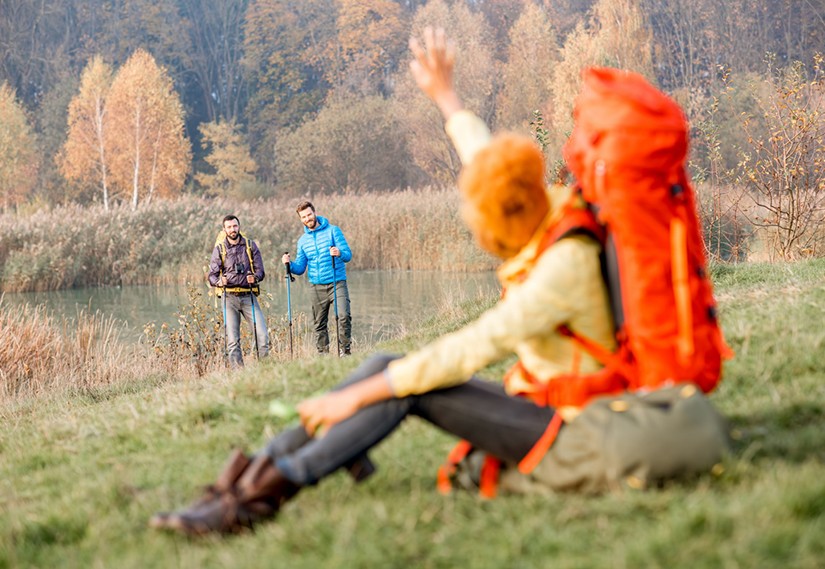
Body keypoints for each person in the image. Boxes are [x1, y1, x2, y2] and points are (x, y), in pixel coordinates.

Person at [149, 28, 717, 537]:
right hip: (546, 403)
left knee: (405, 385)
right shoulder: (547, 205)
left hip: (578, 430)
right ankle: (254, 472)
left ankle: (260, 499)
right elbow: (486, 162)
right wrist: (445, 95)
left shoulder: (562, 269)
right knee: (383, 365)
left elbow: (471, 347)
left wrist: (355, 396)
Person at [281, 202, 353, 356]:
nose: (307, 218)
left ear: (314, 213)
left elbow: (348, 255)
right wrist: (289, 264)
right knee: (319, 323)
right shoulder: (302, 241)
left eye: (309, 214)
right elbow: (300, 268)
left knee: (344, 316)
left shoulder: (333, 231)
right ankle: (323, 355)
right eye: (304, 217)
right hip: (316, 286)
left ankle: (345, 351)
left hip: (336, 282)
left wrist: (339, 252)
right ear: (301, 219)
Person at [208, 214, 270, 367]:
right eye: (229, 227)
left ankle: (265, 369)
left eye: (235, 226)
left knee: (262, 335)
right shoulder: (220, 249)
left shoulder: (250, 246)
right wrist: (219, 282)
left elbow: (261, 271)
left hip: (248, 296)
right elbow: (211, 276)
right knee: (233, 341)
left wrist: (255, 277)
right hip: (229, 298)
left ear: (239, 227)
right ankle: (238, 374)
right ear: (224, 229)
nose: (232, 229)